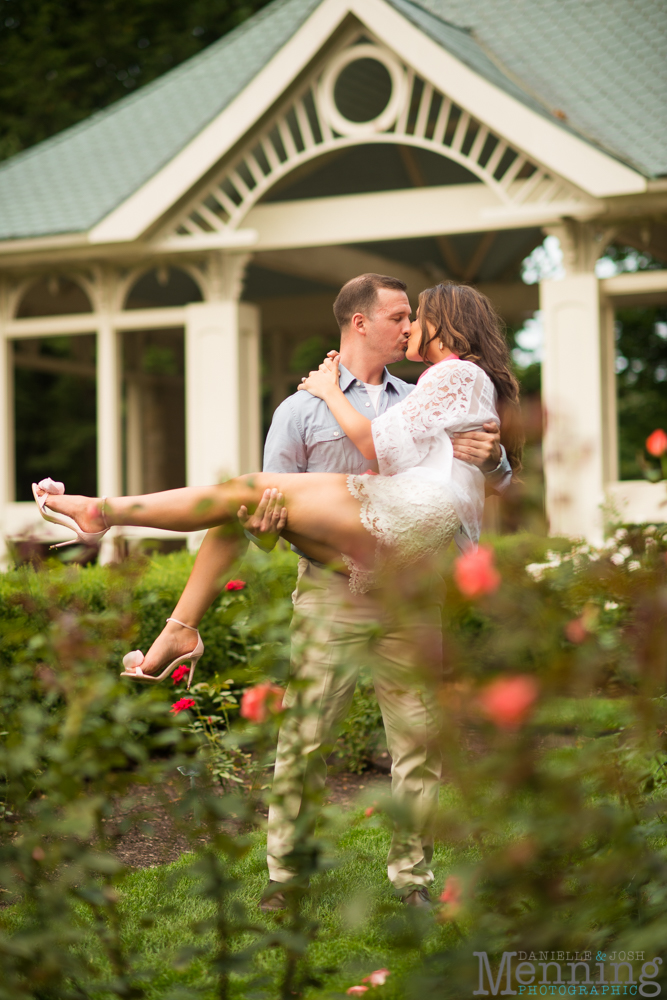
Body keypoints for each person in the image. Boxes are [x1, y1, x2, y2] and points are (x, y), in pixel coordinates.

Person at [33, 277, 521, 906]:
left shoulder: (427, 385)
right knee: (305, 738)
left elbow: (482, 479)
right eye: (398, 316)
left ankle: (413, 883)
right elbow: (262, 517)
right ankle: (286, 877)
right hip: (330, 588)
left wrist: (495, 456)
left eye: (414, 317)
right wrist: (264, 526)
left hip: (412, 591)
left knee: (417, 742)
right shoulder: (301, 410)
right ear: (359, 323)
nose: (407, 327)